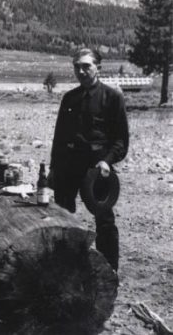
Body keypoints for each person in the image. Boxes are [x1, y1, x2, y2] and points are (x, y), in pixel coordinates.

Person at [49, 48, 129, 271]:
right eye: (77, 66)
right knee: (62, 216)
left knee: (104, 220)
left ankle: (109, 269)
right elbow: (59, 137)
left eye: (86, 66)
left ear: (98, 68)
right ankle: (66, 267)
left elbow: (121, 140)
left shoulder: (112, 98)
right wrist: (54, 169)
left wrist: (107, 161)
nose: (81, 71)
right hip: (68, 166)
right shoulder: (70, 98)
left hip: (97, 168)